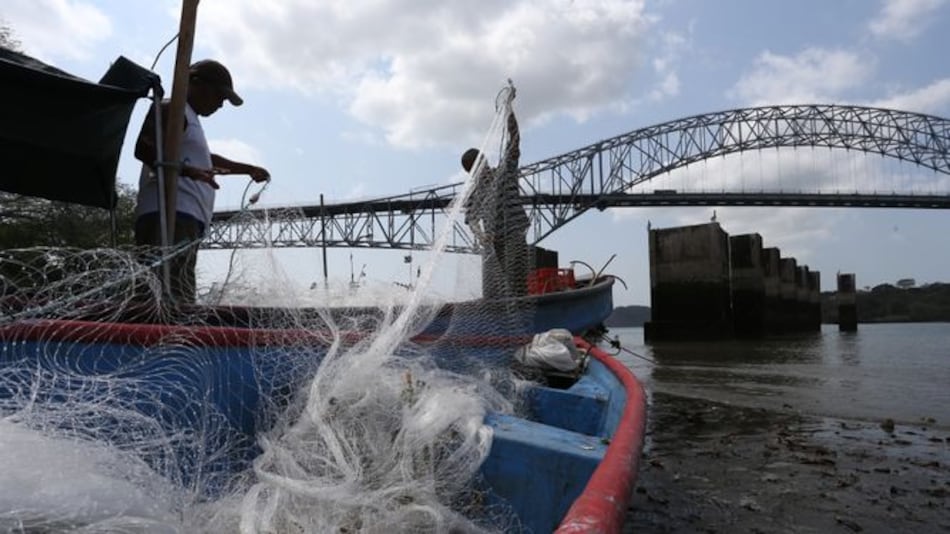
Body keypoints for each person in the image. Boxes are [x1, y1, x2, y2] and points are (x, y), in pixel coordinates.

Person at [134, 59, 270, 303]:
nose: (220, 104)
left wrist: (247, 169)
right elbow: (144, 148)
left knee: (177, 291)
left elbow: (207, 159)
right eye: (219, 95)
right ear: (195, 83)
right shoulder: (173, 109)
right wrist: (188, 171)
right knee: (168, 296)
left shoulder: (189, 117)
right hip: (169, 214)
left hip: (186, 218)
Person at [461, 86, 529, 299]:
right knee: (507, 287)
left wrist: (509, 110)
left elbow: (514, 140)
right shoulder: (481, 189)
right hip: (498, 242)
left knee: (514, 284)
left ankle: (516, 308)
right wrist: (482, 236)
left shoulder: (503, 172)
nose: (479, 166)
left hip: (511, 236)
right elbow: (471, 220)